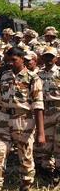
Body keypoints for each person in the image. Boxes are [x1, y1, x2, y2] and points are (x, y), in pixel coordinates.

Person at [0, 47, 45, 191]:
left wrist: (40, 132)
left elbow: (38, 106)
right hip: (4, 119)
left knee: (25, 160)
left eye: (14, 60)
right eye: (8, 60)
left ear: (22, 59)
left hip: (23, 121)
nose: (11, 63)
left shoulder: (33, 78)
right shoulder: (5, 75)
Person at [35, 47, 60, 179]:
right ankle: (47, 171)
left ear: (56, 58)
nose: (49, 59)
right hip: (44, 111)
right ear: (42, 58)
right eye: (46, 56)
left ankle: (58, 172)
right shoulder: (38, 75)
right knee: (45, 144)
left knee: (59, 143)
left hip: (59, 110)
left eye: (51, 56)